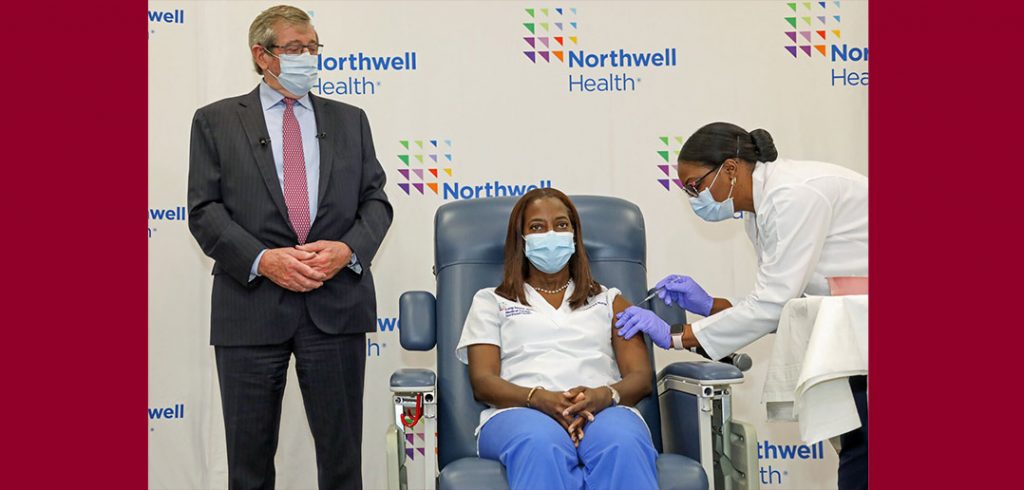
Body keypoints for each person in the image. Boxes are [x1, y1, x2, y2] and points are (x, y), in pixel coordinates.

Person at [186, 5, 392, 489]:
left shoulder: (350, 120)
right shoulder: (215, 121)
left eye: (313, 47)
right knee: (249, 464)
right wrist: (263, 260)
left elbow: (375, 201)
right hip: (250, 308)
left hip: (336, 305)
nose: (307, 57)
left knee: (343, 462)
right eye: (294, 48)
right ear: (262, 55)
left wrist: (347, 250)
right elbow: (204, 211)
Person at [614, 122, 868, 489]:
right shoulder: (759, 210)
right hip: (854, 328)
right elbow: (784, 305)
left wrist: (676, 336)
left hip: (863, 327)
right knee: (861, 445)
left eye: (694, 185)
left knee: (863, 450)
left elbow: (774, 304)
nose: (692, 197)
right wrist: (711, 306)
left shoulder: (792, 195)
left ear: (730, 169)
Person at [456, 188, 659, 490]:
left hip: (602, 411)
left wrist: (603, 396)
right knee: (541, 444)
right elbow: (483, 382)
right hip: (519, 413)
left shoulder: (609, 300)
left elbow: (641, 377)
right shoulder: (491, 301)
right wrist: (538, 398)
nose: (551, 234)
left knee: (624, 442)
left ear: (575, 235)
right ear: (521, 240)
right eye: (537, 227)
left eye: (561, 225)